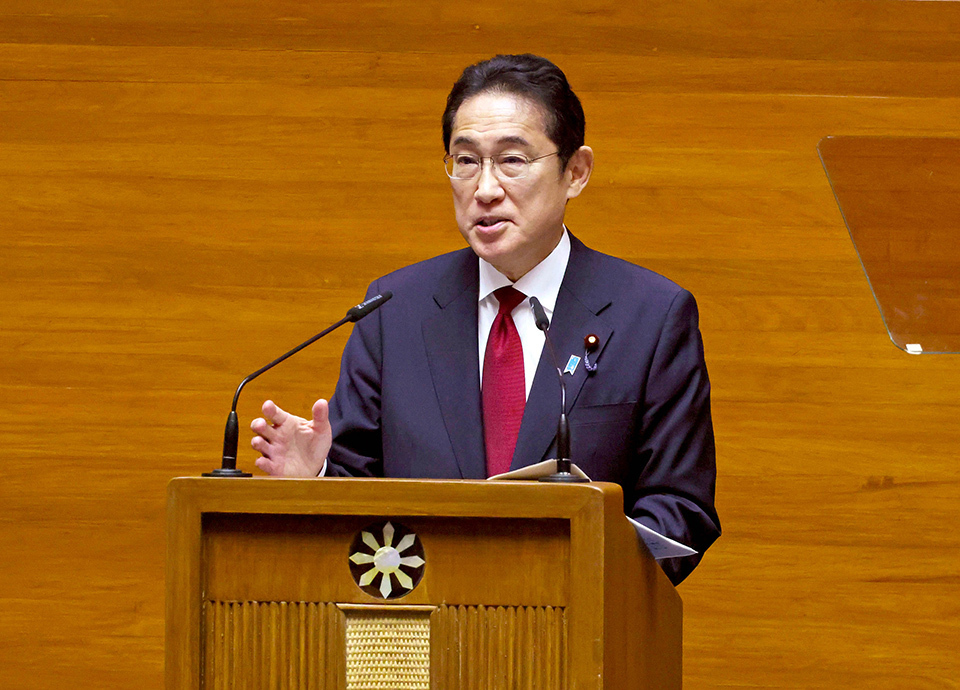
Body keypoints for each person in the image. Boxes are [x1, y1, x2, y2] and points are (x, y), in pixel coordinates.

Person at [250, 54, 720, 584]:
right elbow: (362, 495)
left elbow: (681, 511)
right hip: (419, 641)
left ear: (576, 172)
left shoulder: (651, 316)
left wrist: (577, 570)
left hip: (579, 637)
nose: (486, 188)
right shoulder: (393, 310)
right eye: (466, 160)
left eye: (512, 160)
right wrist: (314, 477)